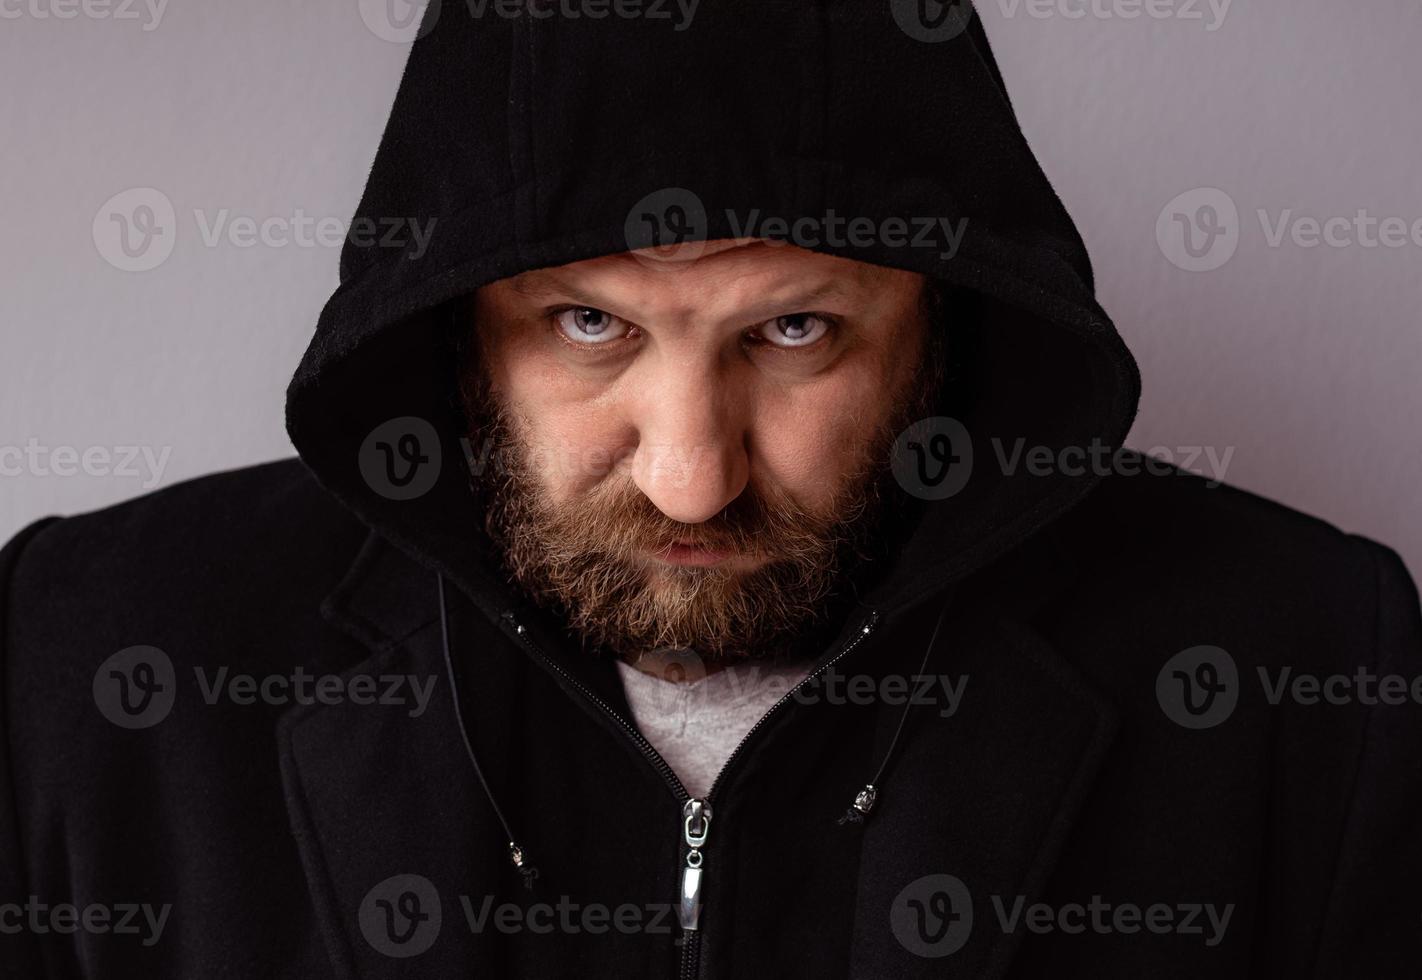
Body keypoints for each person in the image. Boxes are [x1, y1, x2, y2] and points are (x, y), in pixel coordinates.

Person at [2, 6, 1418, 977]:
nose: (691, 473)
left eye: (794, 331)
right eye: (586, 326)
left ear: (943, 326)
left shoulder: (1303, 664)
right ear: (449, 330)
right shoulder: (91, 665)